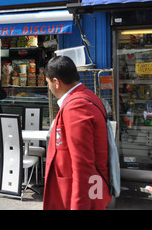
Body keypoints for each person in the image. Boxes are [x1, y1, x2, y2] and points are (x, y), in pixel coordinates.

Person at [43, 56, 112, 210]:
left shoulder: (76, 106)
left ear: (56, 82)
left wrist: (79, 206)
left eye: (48, 83)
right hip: (91, 188)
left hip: (80, 194)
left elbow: (83, 165)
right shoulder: (87, 96)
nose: (49, 88)